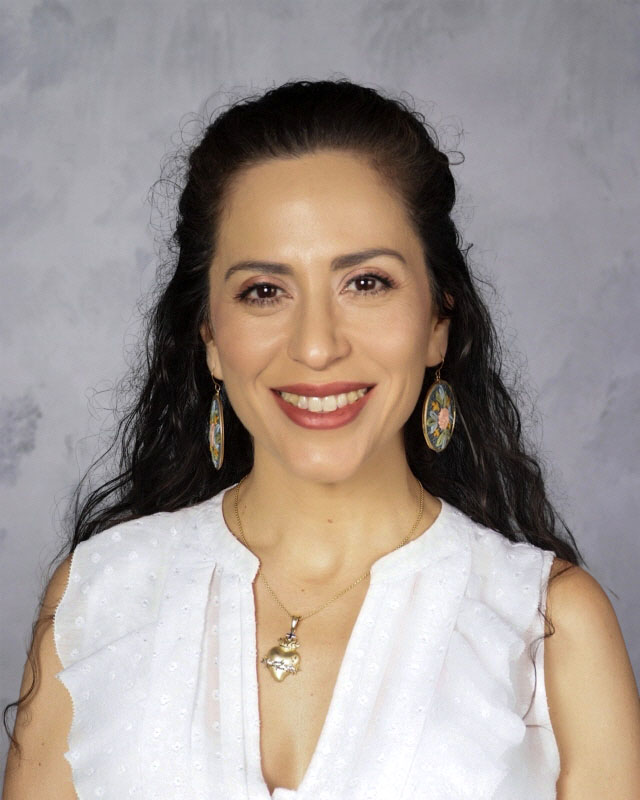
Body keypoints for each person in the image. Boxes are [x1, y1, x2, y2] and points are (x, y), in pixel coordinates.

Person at [3, 79, 640, 800]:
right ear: (209, 337)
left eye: (366, 283)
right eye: (264, 291)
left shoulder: (550, 626)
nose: (315, 346)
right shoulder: (97, 598)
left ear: (438, 322)